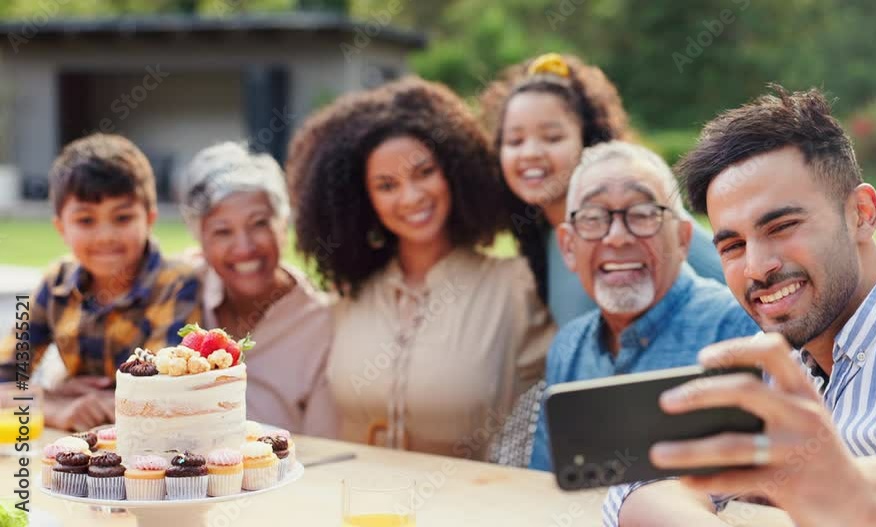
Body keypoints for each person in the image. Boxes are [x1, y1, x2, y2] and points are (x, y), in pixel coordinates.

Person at [608, 86, 876, 527]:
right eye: (733, 245)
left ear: (862, 214)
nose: (756, 267)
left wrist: (850, 489)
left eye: (782, 226)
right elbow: (638, 483)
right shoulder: (772, 362)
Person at [288, 77, 555, 460]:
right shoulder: (350, 295)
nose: (411, 197)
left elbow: (547, 415)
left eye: (424, 172)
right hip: (357, 510)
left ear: (453, 171)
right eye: (386, 185)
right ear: (364, 200)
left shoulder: (514, 286)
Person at [528, 141, 759, 472]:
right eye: (593, 218)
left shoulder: (739, 329)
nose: (618, 237)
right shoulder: (569, 346)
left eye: (643, 214)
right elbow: (543, 485)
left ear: (682, 239)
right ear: (567, 246)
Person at [480, 53, 724, 327]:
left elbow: (730, 285)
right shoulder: (544, 241)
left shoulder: (642, 220)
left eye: (552, 137)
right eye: (515, 140)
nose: (530, 153)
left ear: (588, 141)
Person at [0, 133, 200, 431]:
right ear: (61, 228)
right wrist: (55, 404)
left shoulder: (176, 283)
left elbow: (164, 393)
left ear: (150, 218)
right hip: (72, 450)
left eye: (122, 218)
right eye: (86, 220)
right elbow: (5, 379)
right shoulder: (55, 285)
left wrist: (86, 400)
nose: (105, 236)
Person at [178, 142, 336, 436]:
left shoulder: (322, 322)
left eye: (259, 224)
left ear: (283, 223)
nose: (245, 248)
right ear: (200, 238)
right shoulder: (180, 290)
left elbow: (327, 447)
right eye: (222, 231)